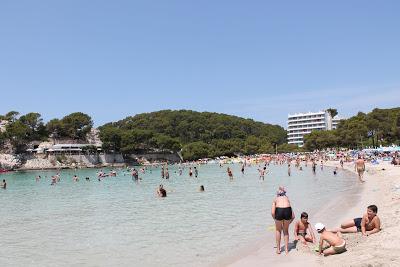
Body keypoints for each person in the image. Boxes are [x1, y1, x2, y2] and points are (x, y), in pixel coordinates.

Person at [271, 186, 295, 254]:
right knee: (286, 230)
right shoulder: (287, 199)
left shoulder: (275, 199)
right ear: (284, 194)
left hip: (279, 211)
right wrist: (288, 223)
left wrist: (275, 219)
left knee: (278, 230)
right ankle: (286, 249)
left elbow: (272, 212)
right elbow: (293, 216)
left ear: (277, 194)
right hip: (287, 211)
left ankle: (278, 249)